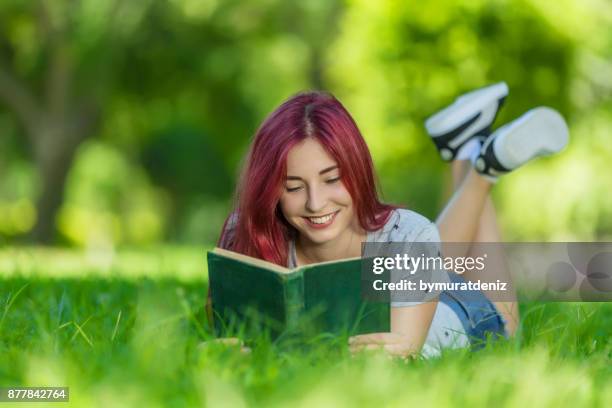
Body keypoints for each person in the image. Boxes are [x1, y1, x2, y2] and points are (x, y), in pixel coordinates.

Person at [206, 84, 569, 358]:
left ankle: (483, 168)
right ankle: (470, 151)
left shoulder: (407, 233)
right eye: (294, 186)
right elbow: (225, 328)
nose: (316, 203)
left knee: (507, 327)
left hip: (455, 310)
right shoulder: (249, 232)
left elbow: (390, 356)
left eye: (332, 179)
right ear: (270, 189)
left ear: (356, 170)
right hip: (413, 275)